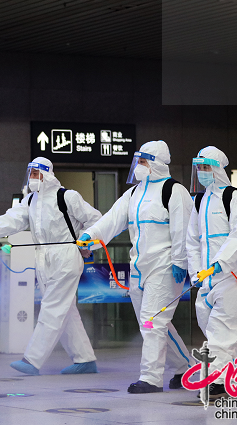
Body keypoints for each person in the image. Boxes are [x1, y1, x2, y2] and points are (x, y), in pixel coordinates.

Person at [80, 140, 195, 393]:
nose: (138, 166)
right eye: (138, 161)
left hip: (165, 267)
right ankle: (186, 367)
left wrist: (180, 261)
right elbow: (112, 220)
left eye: (143, 161)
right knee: (152, 323)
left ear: (156, 163)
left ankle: (151, 378)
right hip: (139, 268)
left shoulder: (175, 191)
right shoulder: (134, 193)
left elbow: (183, 229)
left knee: (152, 320)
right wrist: (90, 236)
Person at [0, 157, 102, 375]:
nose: (32, 177)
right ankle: (85, 359)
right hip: (43, 260)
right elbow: (12, 219)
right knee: (65, 311)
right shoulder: (30, 200)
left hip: (66, 257)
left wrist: (85, 243)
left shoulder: (67, 196)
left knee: (52, 307)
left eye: (36, 173)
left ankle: (32, 360)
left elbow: (96, 219)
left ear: (47, 174)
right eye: (30, 173)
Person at [186, 146, 237, 399]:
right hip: (209, 279)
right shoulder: (199, 201)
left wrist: (221, 261)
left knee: (222, 329)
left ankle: (217, 381)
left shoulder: (233, 197)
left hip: (235, 275)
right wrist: (197, 272)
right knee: (213, 327)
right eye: (199, 167)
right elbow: (192, 241)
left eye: (206, 167)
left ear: (218, 169)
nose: (202, 172)